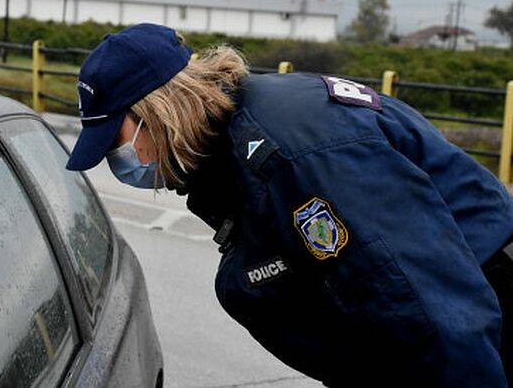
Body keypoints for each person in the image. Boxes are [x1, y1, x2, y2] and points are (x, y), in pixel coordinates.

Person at [65, 23, 513, 387]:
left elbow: (429, 314)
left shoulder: (292, 154)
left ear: (159, 112)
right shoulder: (248, 132)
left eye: (113, 143)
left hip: (483, 322)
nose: (114, 161)